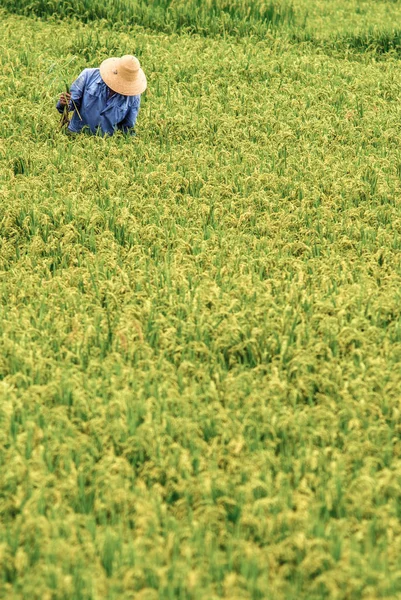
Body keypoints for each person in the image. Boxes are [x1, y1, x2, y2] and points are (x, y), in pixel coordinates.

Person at [56, 55, 147, 136]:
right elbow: (72, 103)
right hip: (77, 136)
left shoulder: (133, 96)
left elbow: (128, 126)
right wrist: (64, 104)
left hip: (106, 142)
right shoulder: (88, 76)